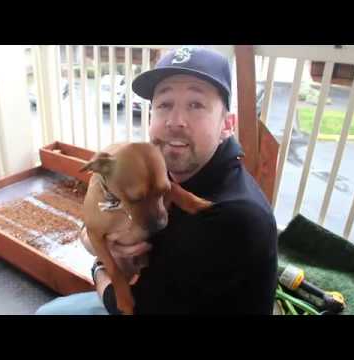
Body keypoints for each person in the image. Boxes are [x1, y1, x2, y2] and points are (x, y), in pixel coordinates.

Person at [36, 46, 278, 315]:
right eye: (164, 104)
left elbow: (134, 309)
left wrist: (101, 269)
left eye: (196, 105)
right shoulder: (158, 168)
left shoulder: (233, 216)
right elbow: (95, 219)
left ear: (227, 124)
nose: (175, 121)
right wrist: (95, 240)